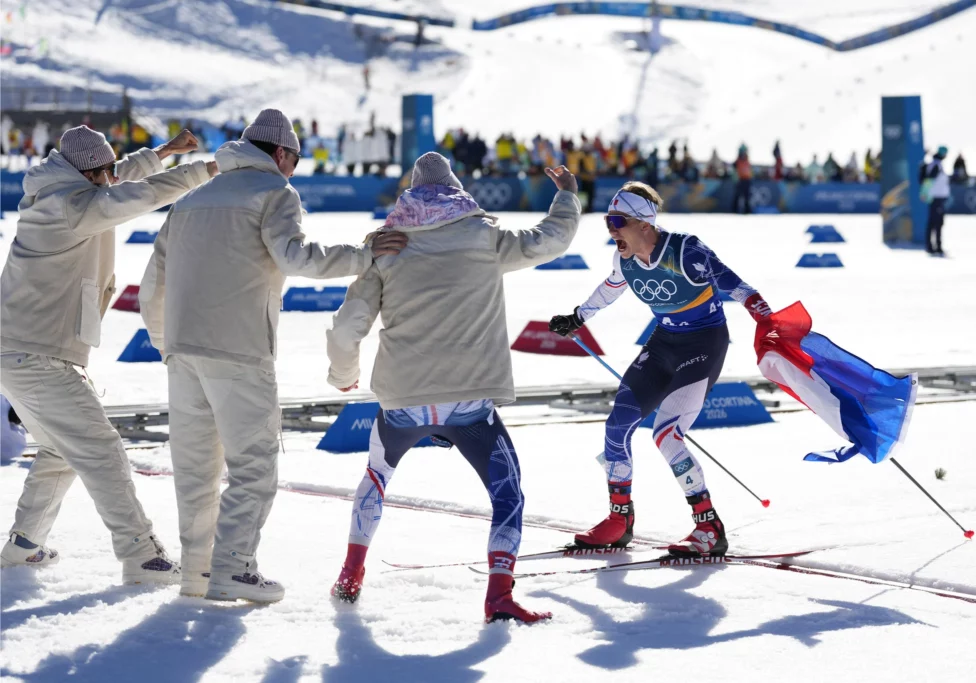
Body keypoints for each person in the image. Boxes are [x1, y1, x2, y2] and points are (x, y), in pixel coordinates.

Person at [138, 109, 407, 604]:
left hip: (183, 353)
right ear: (280, 153)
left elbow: (152, 285)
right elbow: (296, 257)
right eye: (295, 161)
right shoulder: (274, 193)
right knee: (253, 467)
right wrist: (364, 254)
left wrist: (166, 344)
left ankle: (197, 573)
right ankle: (235, 567)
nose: (293, 171)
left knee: (196, 471)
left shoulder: (190, 201)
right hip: (239, 351)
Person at [325, 153, 581, 623]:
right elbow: (553, 239)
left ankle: (351, 574)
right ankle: (499, 596)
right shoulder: (485, 236)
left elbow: (348, 328)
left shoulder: (385, 246)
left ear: (410, 192)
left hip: (402, 403)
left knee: (376, 477)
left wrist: (343, 375)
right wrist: (566, 195)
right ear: (456, 189)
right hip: (470, 403)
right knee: (507, 492)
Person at [0, 126, 213, 581]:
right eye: (106, 172)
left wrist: (163, 152)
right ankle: (141, 554)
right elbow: (138, 194)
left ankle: (23, 545)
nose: (111, 177)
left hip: (23, 350)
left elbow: (118, 179)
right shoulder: (70, 207)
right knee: (99, 447)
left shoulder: (66, 187)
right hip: (36, 355)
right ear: (89, 173)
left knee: (62, 449)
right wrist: (207, 169)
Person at [547, 181, 772, 557]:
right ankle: (620, 521)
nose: (611, 229)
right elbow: (611, 287)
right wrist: (578, 317)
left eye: (618, 221)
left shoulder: (685, 250)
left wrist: (765, 315)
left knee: (667, 434)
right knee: (616, 427)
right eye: (608, 221)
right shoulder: (624, 259)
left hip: (704, 345)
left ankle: (709, 527)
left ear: (645, 225)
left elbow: (735, 284)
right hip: (664, 342)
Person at [920, 146, 950, 256]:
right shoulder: (936, 165)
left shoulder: (935, 164)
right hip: (936, 198)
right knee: (935, 223)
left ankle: (935, 246)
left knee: (936, 223)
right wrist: (925, 193)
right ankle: (933, 247)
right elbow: (929, 180)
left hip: (937, 197)